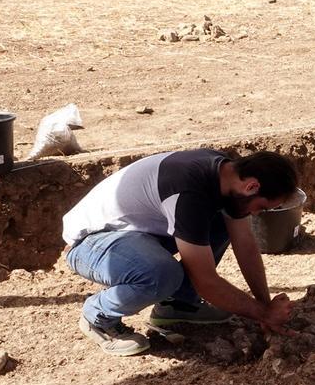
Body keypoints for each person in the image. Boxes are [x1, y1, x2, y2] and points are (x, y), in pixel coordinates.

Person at [62, 149, 299, 356]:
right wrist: (263, 314)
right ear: (252, 186)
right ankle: (98, 318)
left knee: (223, 219)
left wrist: (265, 305)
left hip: (139, 233)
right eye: (262, 207)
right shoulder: (189, 193)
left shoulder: (225, 174)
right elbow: (206, 282)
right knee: (161, 274)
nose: (257, 214)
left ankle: (178, 305)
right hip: (91, 242)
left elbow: (245, 244)